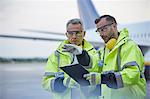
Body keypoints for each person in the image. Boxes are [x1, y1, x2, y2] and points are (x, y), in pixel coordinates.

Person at [83, 15, 146, 99]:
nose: (101, 34)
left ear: (114, 26)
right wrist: (81, 55)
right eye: (98, 31)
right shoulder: (105, 50)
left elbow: (132, 75)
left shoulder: (129, 47)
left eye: (103, 29)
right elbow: (95, 65)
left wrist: (103, 78)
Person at [42, 18, 100, 99]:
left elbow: (101, 81)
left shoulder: (95, 54)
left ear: (84, 33)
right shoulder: (56, 55)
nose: (74, 36)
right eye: (70, 33)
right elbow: (46, 83)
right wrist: (63, 83)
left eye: (78, 33)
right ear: (66, 34)